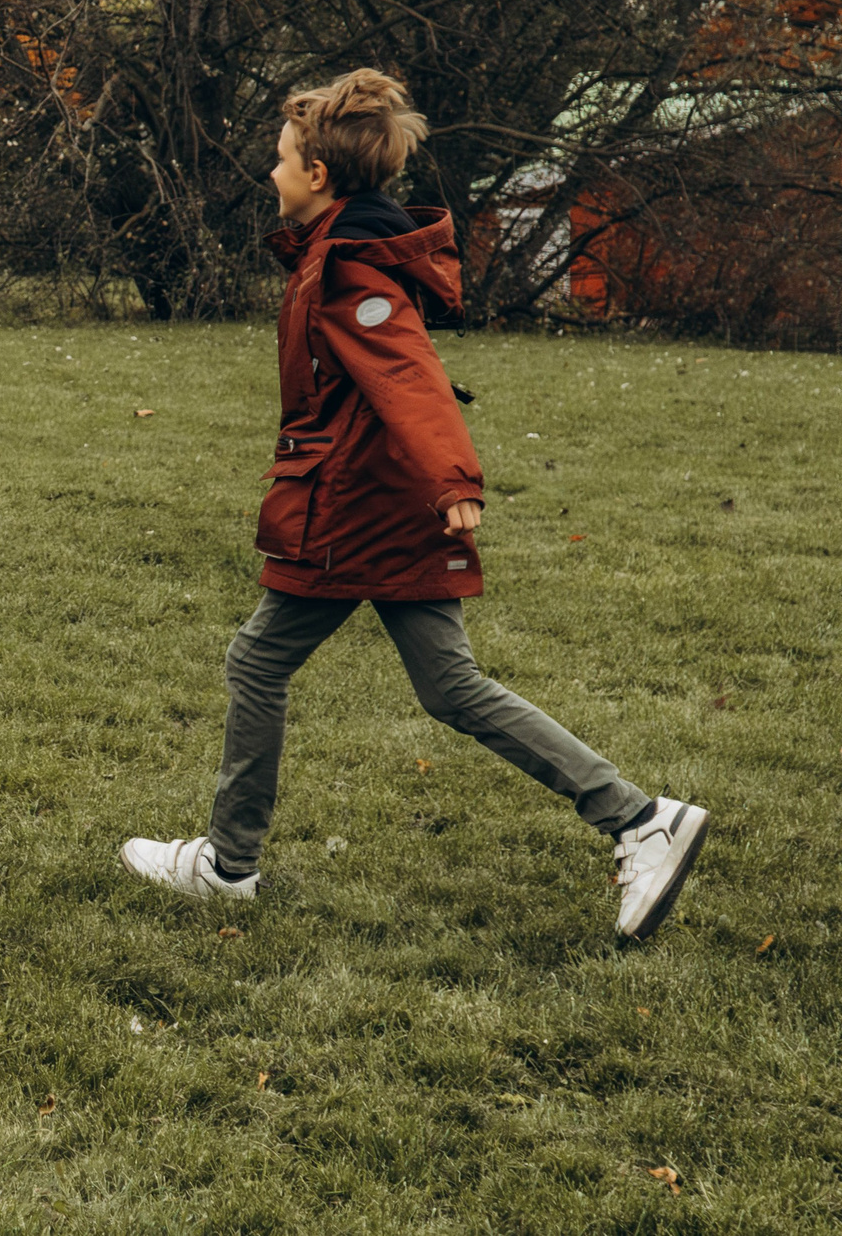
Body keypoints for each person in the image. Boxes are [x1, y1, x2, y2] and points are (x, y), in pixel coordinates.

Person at [119, 70, 707, 940]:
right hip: (379, 501)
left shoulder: (352, 265)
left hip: (360, 507)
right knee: (449, 686)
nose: (271, 174)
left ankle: (228, 865)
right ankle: (636, 816)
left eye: (280, 160)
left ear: (319, 174)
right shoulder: (341, 252)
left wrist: (454, 481)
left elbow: (410, 376)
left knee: (259, 661)